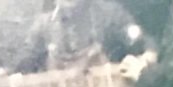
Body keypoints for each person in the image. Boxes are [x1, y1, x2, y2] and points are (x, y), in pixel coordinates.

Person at [11, 0, 153, 74]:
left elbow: (143, 43)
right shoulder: (44, 24)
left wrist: (145, 59)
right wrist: (6, 73)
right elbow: (26, 57)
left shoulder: (109, 14)